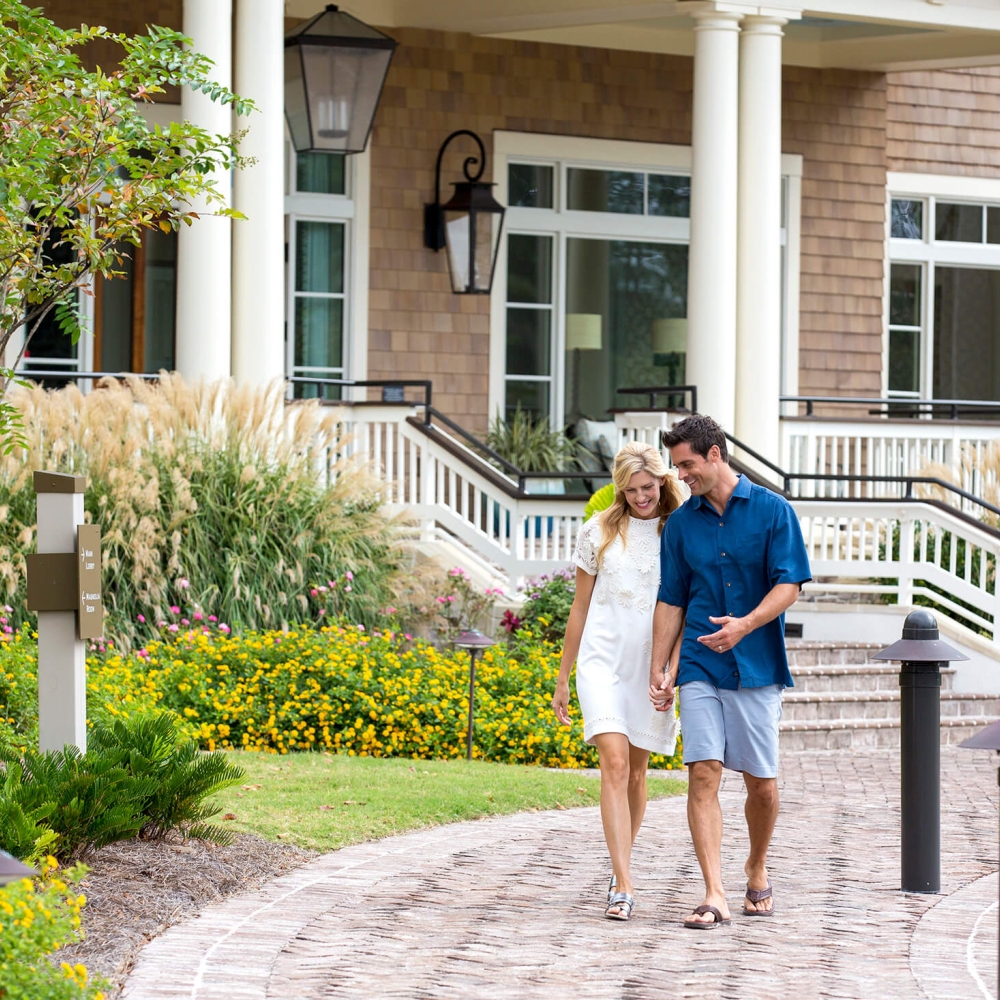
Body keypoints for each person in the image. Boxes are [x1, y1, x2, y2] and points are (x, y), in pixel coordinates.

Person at [648, 414, 810, 930]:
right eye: (676, 467)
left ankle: (756, 864)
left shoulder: (772, 512)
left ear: (715, 455)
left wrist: (745, 625)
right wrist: (660, 666)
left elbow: (790, 586)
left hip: (757, 665)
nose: (681, 476)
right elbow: (671, 598)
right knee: (703, 772)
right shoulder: (680, 525)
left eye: (687, 465)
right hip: (699, 662)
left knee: (761, 783)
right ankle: (714, 891)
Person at [552, 441, 684, 921]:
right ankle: (623, 884)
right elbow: (580, 607)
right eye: (629, 491)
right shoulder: (599, 531)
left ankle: (618, 866)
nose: (640, 497)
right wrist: (563, 677)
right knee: (613, 761)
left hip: (652, 665)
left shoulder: (680, 532)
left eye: (647, 488)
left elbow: (686, 606)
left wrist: (674, 665)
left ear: (663, 482)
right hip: (602, 661)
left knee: (636, 771)